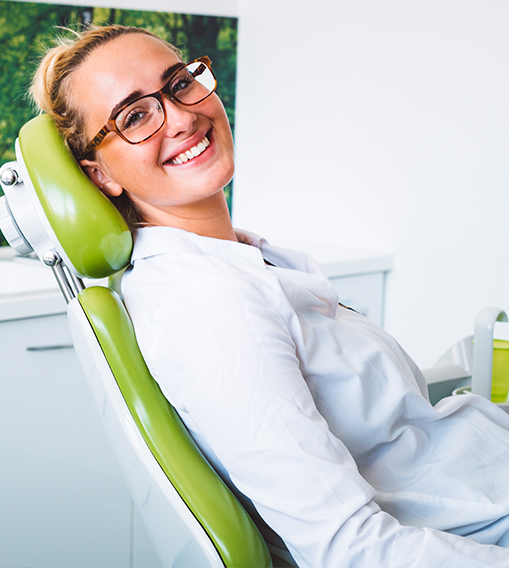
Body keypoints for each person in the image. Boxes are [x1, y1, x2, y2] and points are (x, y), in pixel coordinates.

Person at [30, 24, 509, 567]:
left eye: (181, 83)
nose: (183, 117)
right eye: (135, 116)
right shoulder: (209, 304)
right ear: (101, 175)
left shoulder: (235, 261)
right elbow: (349, 549)